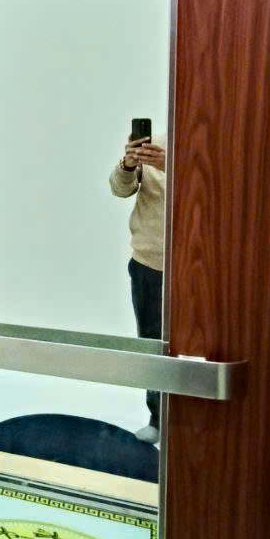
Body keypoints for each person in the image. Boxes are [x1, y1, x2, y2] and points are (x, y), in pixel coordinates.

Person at [109, 132, 166, 444]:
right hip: (149, 264)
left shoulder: (216, 149)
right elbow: (120, 189)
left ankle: (196, 423)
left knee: (199, 348)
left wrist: (171, 165)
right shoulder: (155, 143)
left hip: (199, 266)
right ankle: (158, 418)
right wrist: (128, 165)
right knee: (151, 344)